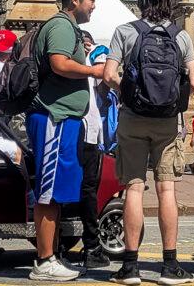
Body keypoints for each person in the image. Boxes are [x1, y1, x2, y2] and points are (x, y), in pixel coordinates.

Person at [104, 0, 194, 286]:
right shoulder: (181, 36)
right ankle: (170, 265)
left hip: (132, 118)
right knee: (166, 190)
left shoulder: (126, 32)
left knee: (133, 188)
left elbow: (108, 75)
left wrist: (129, 93)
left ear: (142, 1)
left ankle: (130, 267)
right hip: (168, 123)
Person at [27, 0, 103, 281]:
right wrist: (92, 70)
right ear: (75, 0)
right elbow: (58, 64)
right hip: (53, 117)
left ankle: (51, 255)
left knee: (57, 192)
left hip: (63, 119)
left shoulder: (68, 28)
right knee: (48, 192)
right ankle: (44, 260)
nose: (94, 5)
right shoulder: (60, 25)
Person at [78, 30, 111, 270]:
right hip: (87, 129)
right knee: (89, 188)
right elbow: (105, 86)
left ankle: (55, 244)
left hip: (65, 128)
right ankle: (91, 246)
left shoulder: (64, 57)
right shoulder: (95, 56)